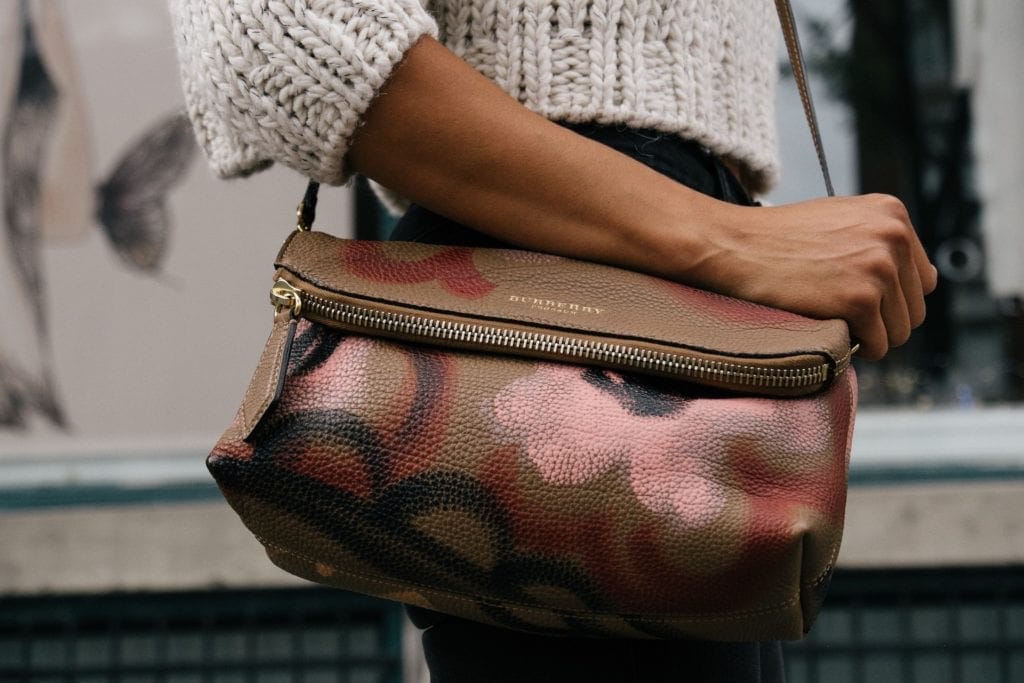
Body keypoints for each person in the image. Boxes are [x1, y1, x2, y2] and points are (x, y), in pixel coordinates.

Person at [168, 1, 937, 680]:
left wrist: (730, 238)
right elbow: (277, 28)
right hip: (558, 283)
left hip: (656, 264)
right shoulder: (704, 237)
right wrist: (729, 239)